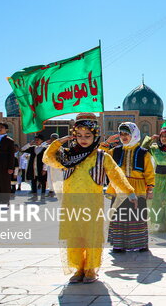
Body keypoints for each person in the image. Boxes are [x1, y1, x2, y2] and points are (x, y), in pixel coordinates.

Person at [42, 113, 136, 284]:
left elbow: (116, 174)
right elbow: (47, 159)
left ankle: (91, 269)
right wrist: (58, 143)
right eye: (79, 136)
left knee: (91, 236)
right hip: (71, 204)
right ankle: (78, 268)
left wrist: (129, 191)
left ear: (95, 136)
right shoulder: (67, 156)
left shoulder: (101, 156)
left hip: (92, 205)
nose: (83, 139)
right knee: (74, 237)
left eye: (88, 136)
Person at [103, 122, 155, 252]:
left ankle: (140, 243)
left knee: (136, 216)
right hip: (119, 188)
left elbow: (149, 172)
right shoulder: (115, 151)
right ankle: (119, 245)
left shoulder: (144, 153)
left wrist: (150, 188)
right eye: (121, 134)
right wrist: (106, 143)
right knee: (119, 215)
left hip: (137, 188)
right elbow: (100, 158)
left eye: (127, 134)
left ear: (134, 134)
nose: (123, 137)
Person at [21, 135, 48, 199]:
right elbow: (22, 149)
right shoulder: (32, 148)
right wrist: (29, 144)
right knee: (33, 181)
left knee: (42, 182)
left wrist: (44, 169)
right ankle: (34, 195)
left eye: (38, 140)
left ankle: (43, 195)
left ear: (41, 141)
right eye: (35, 140)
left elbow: (46, 160)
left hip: (40, 168)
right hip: (33, 168)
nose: (36, 141)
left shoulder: (45, 149)